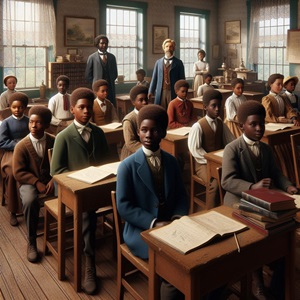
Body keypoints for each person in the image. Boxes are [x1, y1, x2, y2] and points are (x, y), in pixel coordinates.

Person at [221, 100, 297, 299]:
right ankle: (257, 280)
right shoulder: (232, 148)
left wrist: (288, 185)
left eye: (261, 124)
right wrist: (251, 187)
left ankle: (277, 281)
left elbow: (276, 173)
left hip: (263, 202)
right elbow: (227, 181)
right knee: (254, 240)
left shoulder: (265, 149)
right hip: (237, 203)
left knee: (284, 229)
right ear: (241, 126)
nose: (259, 128)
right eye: (253, 124)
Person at [116, 104, 189, 299]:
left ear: (164, 132)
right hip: (141, 231)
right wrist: (154, 222)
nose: (148, 135)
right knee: (173, 272)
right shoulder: (127, 166)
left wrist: (177, 217)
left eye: (155, 130)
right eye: (144, 130)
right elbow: (123, 207)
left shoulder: (172, 162)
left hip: (172, 226)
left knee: (198, 261)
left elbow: (182, 195)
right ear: (138, 132)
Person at [51, 87, 110, 295]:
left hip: (96, 186)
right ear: (73, 110)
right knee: (87, 213)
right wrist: (79, 180)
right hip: (72, 191)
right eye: (81, 108)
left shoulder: (99, 133)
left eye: (88, 107)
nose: (86, 111)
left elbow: (107, 162)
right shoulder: (63, 137)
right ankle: (89, 263)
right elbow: (56, 171)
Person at [12, 106, 55, 263]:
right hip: (29, 183)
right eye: (31, 122)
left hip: (52, 181)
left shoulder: (53, 140)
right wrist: (36, 182)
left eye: (38, 123)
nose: (33, 126)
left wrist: (53, 180)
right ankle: (32, 241)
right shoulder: (21, 146)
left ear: (46, 125)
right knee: (30, 201)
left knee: (70, 194)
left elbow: (60, 165)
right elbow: (18, 172)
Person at [188, 90, 234, 209]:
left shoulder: (221, 124)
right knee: (215, 183)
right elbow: (195, 150)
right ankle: (210, 211)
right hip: (203, 164)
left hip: (219, 162)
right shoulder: (198, 126)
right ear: (205, 107)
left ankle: (226, 208)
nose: (217, 109)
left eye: (219, 105)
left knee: (233, 177)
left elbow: (231, 142)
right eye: (213, 106)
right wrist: (211, 161)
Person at [0, 92, 30, 226]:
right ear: (10, 107)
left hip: (27, 152)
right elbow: (2, 142)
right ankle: (13, 211)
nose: (17, 110)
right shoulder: (6, 123)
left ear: (25, 108)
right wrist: (18, 144)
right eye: (14, 107)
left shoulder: (29, 121)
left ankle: (30, 203)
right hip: (10, 154)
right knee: (13, 173)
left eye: (21, 107)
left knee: (36, 169)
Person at [148, 38, 185, 109]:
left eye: (171, 46)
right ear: (164, 48)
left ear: (174, 48)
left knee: (172, 110)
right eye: (167, 46)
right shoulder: (158, 62)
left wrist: (182, 92)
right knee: (160, 111)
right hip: (161, 91)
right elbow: (154, 78)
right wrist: (151, 91)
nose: (168, 48)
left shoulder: (178, 63)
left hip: (173, 92)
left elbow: (182, 79)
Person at [85, 34, 118, 106]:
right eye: (102, 43)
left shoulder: (112, 57)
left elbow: (115, 74)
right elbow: (88, 75)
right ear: (97, 44)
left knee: (110, 107)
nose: (104, 45)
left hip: (110, 89)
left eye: (106, 43)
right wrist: (96, 83)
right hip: (97, 90)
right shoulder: (92, 57)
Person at [120, 85, 148, 160]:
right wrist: (148, 149)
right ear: (133, 102)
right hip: (132, 154)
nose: (145, 102)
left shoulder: (149, 116)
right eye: (141, 100)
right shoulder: (129, 120)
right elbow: (130, 143)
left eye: (146, 99)